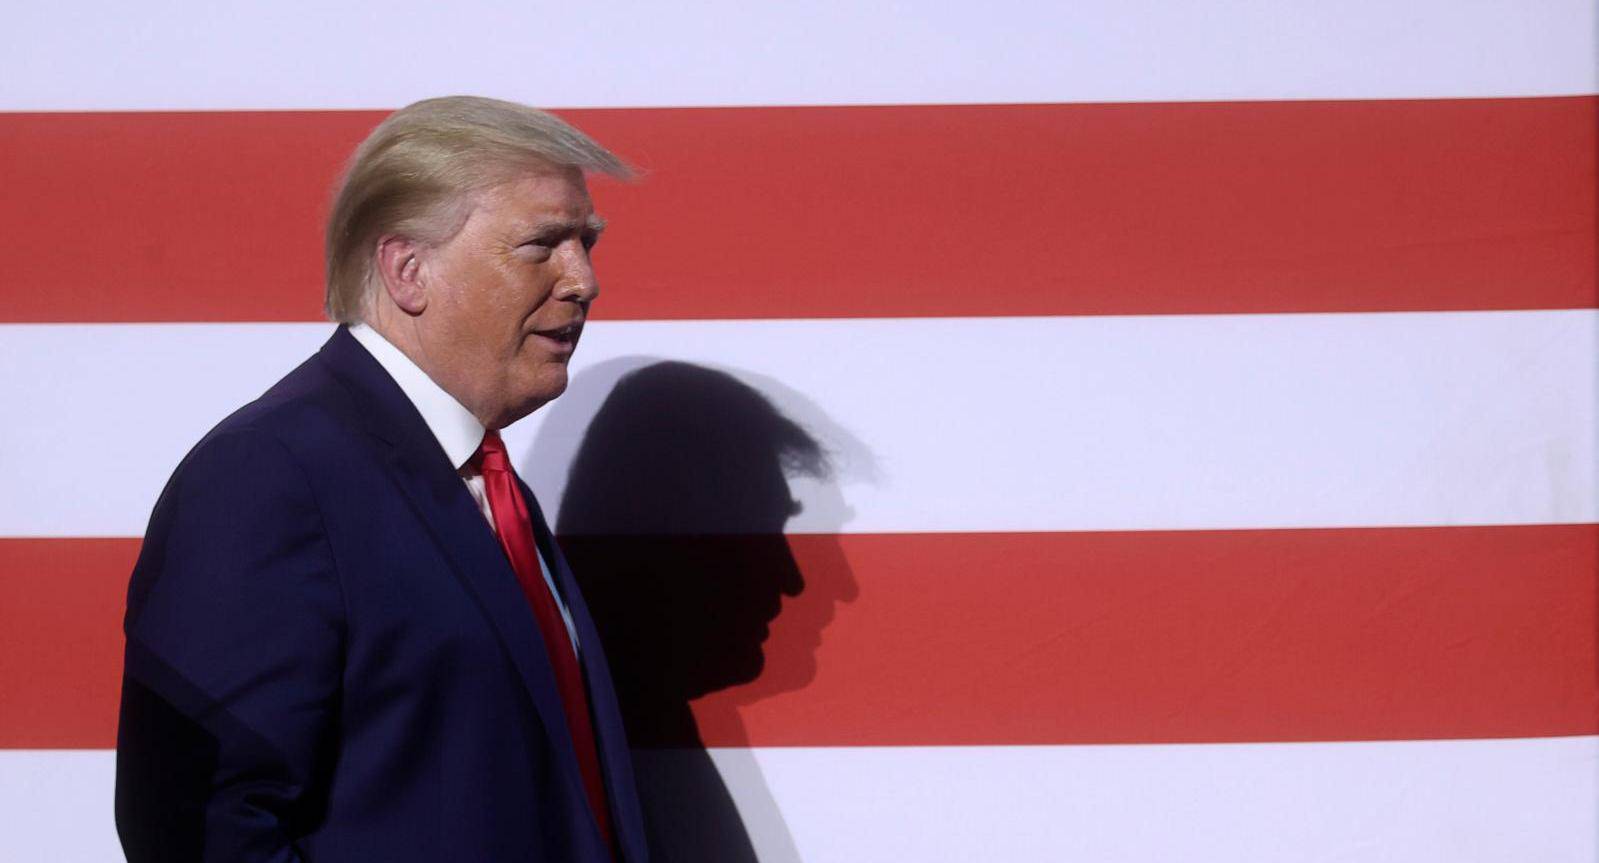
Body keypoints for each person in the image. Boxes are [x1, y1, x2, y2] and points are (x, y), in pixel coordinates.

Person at [114, 96, 647, 862]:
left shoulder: (489, 486)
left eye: (586, 242)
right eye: (541, 245)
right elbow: (197, 828)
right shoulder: (270, 476)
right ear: (407, 270)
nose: (583, 280)